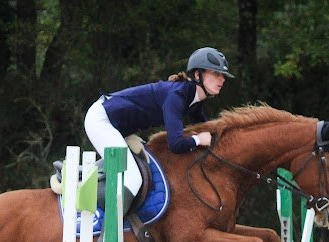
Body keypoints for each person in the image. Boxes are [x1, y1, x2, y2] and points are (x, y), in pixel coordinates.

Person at [84, 46, 234, 215]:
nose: (222, 79)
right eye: (216, 74)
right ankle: (106, 235)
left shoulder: (194, 101)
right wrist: (198, 140)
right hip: (102, 120)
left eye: (223, 75)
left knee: (143, 164)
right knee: (133, 179)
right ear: (198, 75)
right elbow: (176, 144)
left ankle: (87, 177)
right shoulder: (177, 96)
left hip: (119, 128)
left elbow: (208, 131)